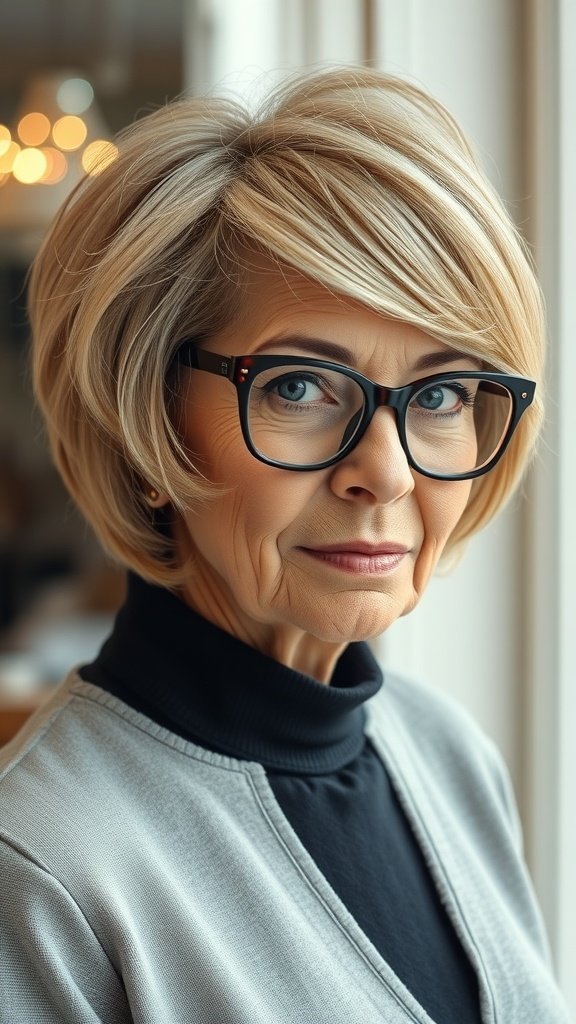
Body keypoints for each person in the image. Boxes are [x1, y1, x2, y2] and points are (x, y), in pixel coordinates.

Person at [0, 67, 570, 1024]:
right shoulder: (45, 872)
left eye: (439, 395)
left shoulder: (447, 753)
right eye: (300, 387)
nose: (385, 474)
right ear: (150, 423)